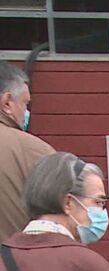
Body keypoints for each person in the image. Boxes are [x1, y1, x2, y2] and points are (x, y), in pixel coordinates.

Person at [0, 61, 54, 241]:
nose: (26, 112)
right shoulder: (35, 151)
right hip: (16, 256)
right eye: (25, 104)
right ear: (7, 102)